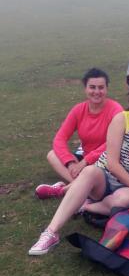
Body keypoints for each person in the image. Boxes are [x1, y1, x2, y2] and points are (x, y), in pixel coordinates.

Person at [29, 80, 129, 256]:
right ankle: (51, 232)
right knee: (89, 172)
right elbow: (112, 164)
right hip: (106, 177)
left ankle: (85, 207)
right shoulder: (121, 119)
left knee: (127, 200)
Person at [35, 68, 123, 199]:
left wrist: (85, 162)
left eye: (101, 87)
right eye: (92, 87)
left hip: (108, 161)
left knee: (92, 171)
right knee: (52, 155)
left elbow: (114, 143)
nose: (97, 92)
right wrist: (70, 163)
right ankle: (81, 186)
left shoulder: (116, 110)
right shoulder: (78, 110)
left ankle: (63, 190)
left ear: (106, 89)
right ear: (85, 89)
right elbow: (59, 138)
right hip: (85, 160)